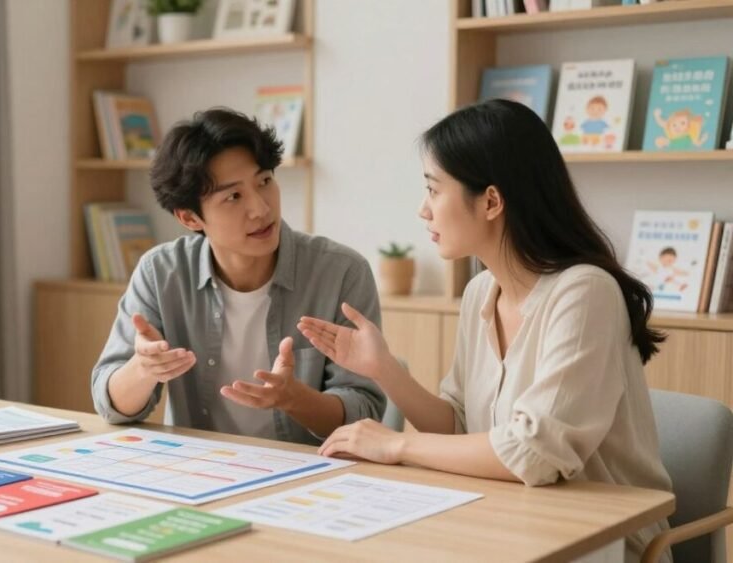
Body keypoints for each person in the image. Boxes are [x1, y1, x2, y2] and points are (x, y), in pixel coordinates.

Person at [297, 99, 673, 562]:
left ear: (491, 201)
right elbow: (459, 426)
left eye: (434, 190)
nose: (423, 210)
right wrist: (384, 369)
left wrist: (396, 444)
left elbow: (535, 453)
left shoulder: (585, 292)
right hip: (510, 522)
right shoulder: (481, 291)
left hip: (602, 544)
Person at [91, 107, 386, 445]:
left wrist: (294, 399)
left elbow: (365, 410)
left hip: (307, 477)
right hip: (201, 471)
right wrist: (143, 369)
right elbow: (110, 405)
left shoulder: (341, 272)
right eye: (233, 196)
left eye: (264, 181)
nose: (261, 208)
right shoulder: (161, 273)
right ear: (190, 218)